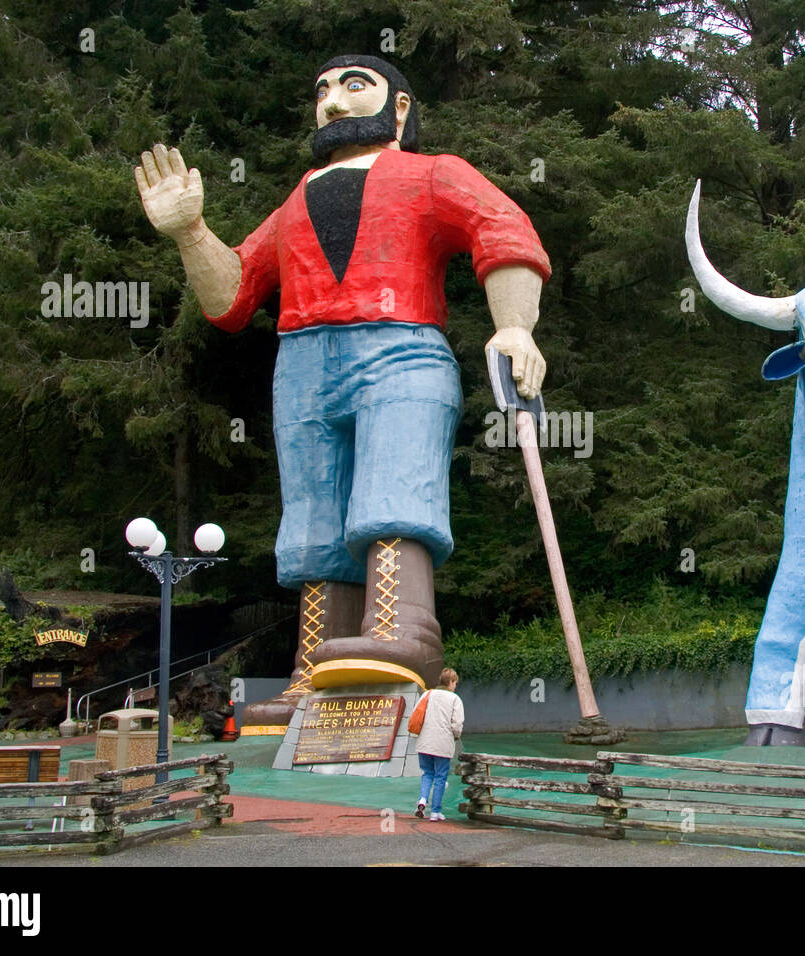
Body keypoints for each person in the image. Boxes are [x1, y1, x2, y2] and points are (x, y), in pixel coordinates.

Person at [134, 55, 551, 733]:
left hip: (401, 348)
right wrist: (189, 231)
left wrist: (513, 327)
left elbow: (501, 230)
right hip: (302, 361)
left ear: (402, 109)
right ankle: (313, 667)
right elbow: (232, 295)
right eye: (322, 89)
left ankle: (402, 627)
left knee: (393, 487)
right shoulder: (295, 200)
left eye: (354, 86)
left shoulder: (431, 173)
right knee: (313, 516)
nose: (331, 102)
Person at [414, 668, 464, 820]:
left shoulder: (427, 694)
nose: (455, 686)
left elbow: (416, 714)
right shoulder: (455, 699)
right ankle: (435, 812)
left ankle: (422, 799)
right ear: (450, 682)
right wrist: (455, 736)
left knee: (427, 773)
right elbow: (457, 724)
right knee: (440, 777)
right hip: (442, 744)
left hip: (424, 743)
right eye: (455, 682)